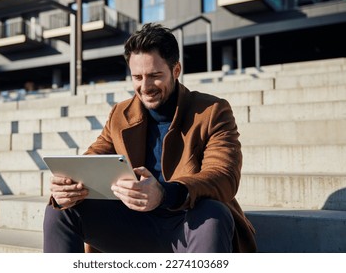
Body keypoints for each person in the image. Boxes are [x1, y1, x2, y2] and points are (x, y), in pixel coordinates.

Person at [43, 23, 257, 253]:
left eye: (155, 76)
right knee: (60, 210)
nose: (145, 87)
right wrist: (67, 188)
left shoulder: (212, 111)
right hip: (133, 226)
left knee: (214, 213)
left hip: (188, 225)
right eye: (137, 76)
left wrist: (164, 194)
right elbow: (90, 162)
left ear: (176, 70)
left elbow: (223, 176)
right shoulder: (120, 115)